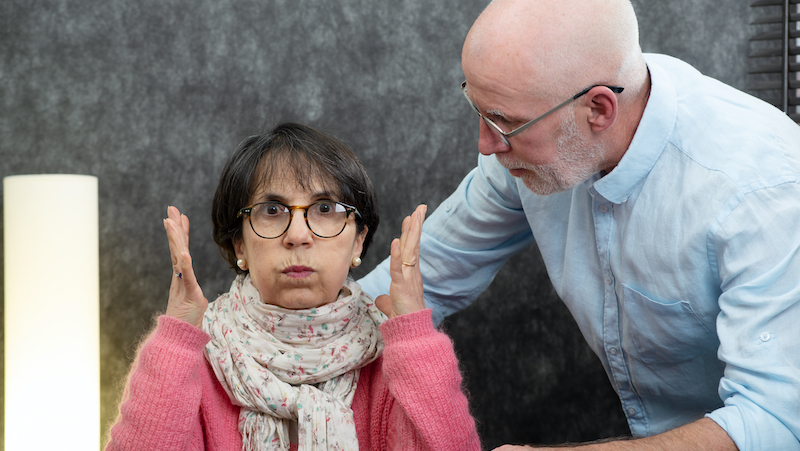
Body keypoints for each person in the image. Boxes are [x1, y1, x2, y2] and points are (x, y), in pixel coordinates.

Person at [358, 0, 800, 450]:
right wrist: (301, 329)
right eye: (480, 110)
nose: (486, 144)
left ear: (598, 110)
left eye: (503, 123)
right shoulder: (528, 147)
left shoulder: (763, 191)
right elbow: (418, 279)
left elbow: (774, 423)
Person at [105, 122, 481, 451]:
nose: (298, 235)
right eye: (272, 211)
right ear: (240, 245)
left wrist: (415, 339)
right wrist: (175, 339)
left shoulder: (395, 358)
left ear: (359, 242)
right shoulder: (195, 360)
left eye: (325, 208)